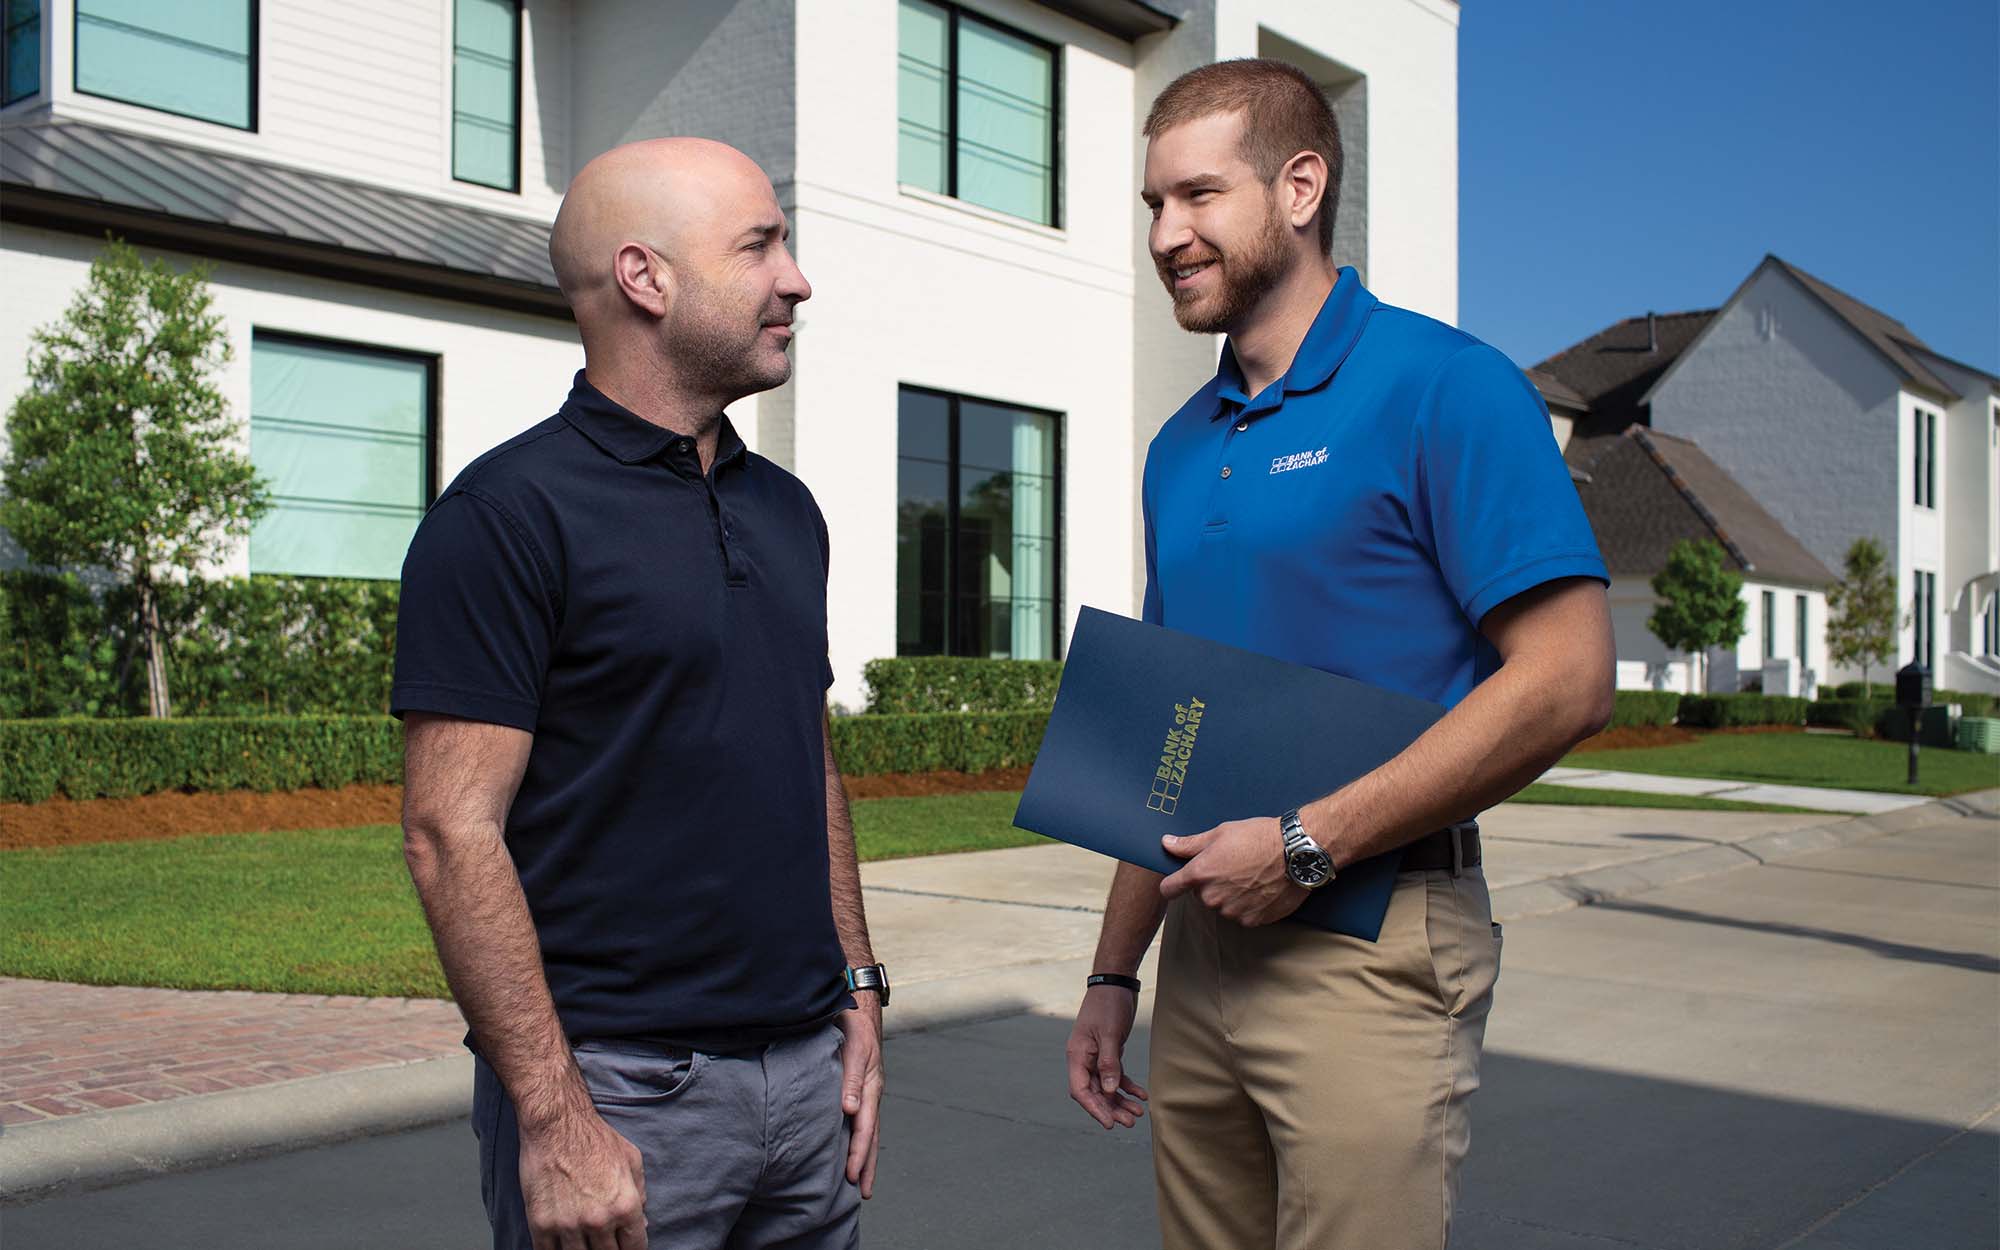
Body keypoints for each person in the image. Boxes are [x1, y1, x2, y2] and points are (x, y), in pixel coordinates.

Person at [1064, 59, 1614, 1250]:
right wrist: (1115, 974)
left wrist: (1307, 846)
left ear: (1300, 185)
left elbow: (1567, 677)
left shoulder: (1445, 386)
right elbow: (1174, 728)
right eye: (1151, 205)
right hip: (1202, 938)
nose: (1165, 234)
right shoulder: (1178, 444)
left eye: (1198, 196)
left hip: (1370, 935)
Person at [394, 138, 886, 1250]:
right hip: (622, 1098)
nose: (795, 278)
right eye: (759, 245)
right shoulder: (506, 514)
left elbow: (805, 759)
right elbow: (445, 828)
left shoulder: (787, 510)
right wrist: (556, 1116)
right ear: (644, 277)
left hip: (809, 1082)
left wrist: (857, 988)